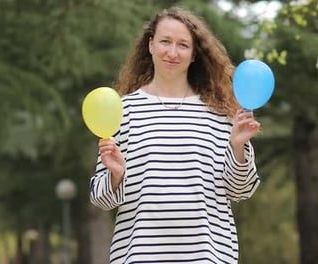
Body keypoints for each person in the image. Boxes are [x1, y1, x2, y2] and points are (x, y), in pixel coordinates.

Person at [89, 6, 261, 264]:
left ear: (193, 55)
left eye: (183, 45)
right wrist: (115, 176)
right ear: (150, 45)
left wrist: (238, 148)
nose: (172, 52)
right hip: (139, 256)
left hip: (208, 256)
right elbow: (101, 200)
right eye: (165, 42)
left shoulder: (222, 113)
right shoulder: (122, 111)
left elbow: (241, 190)